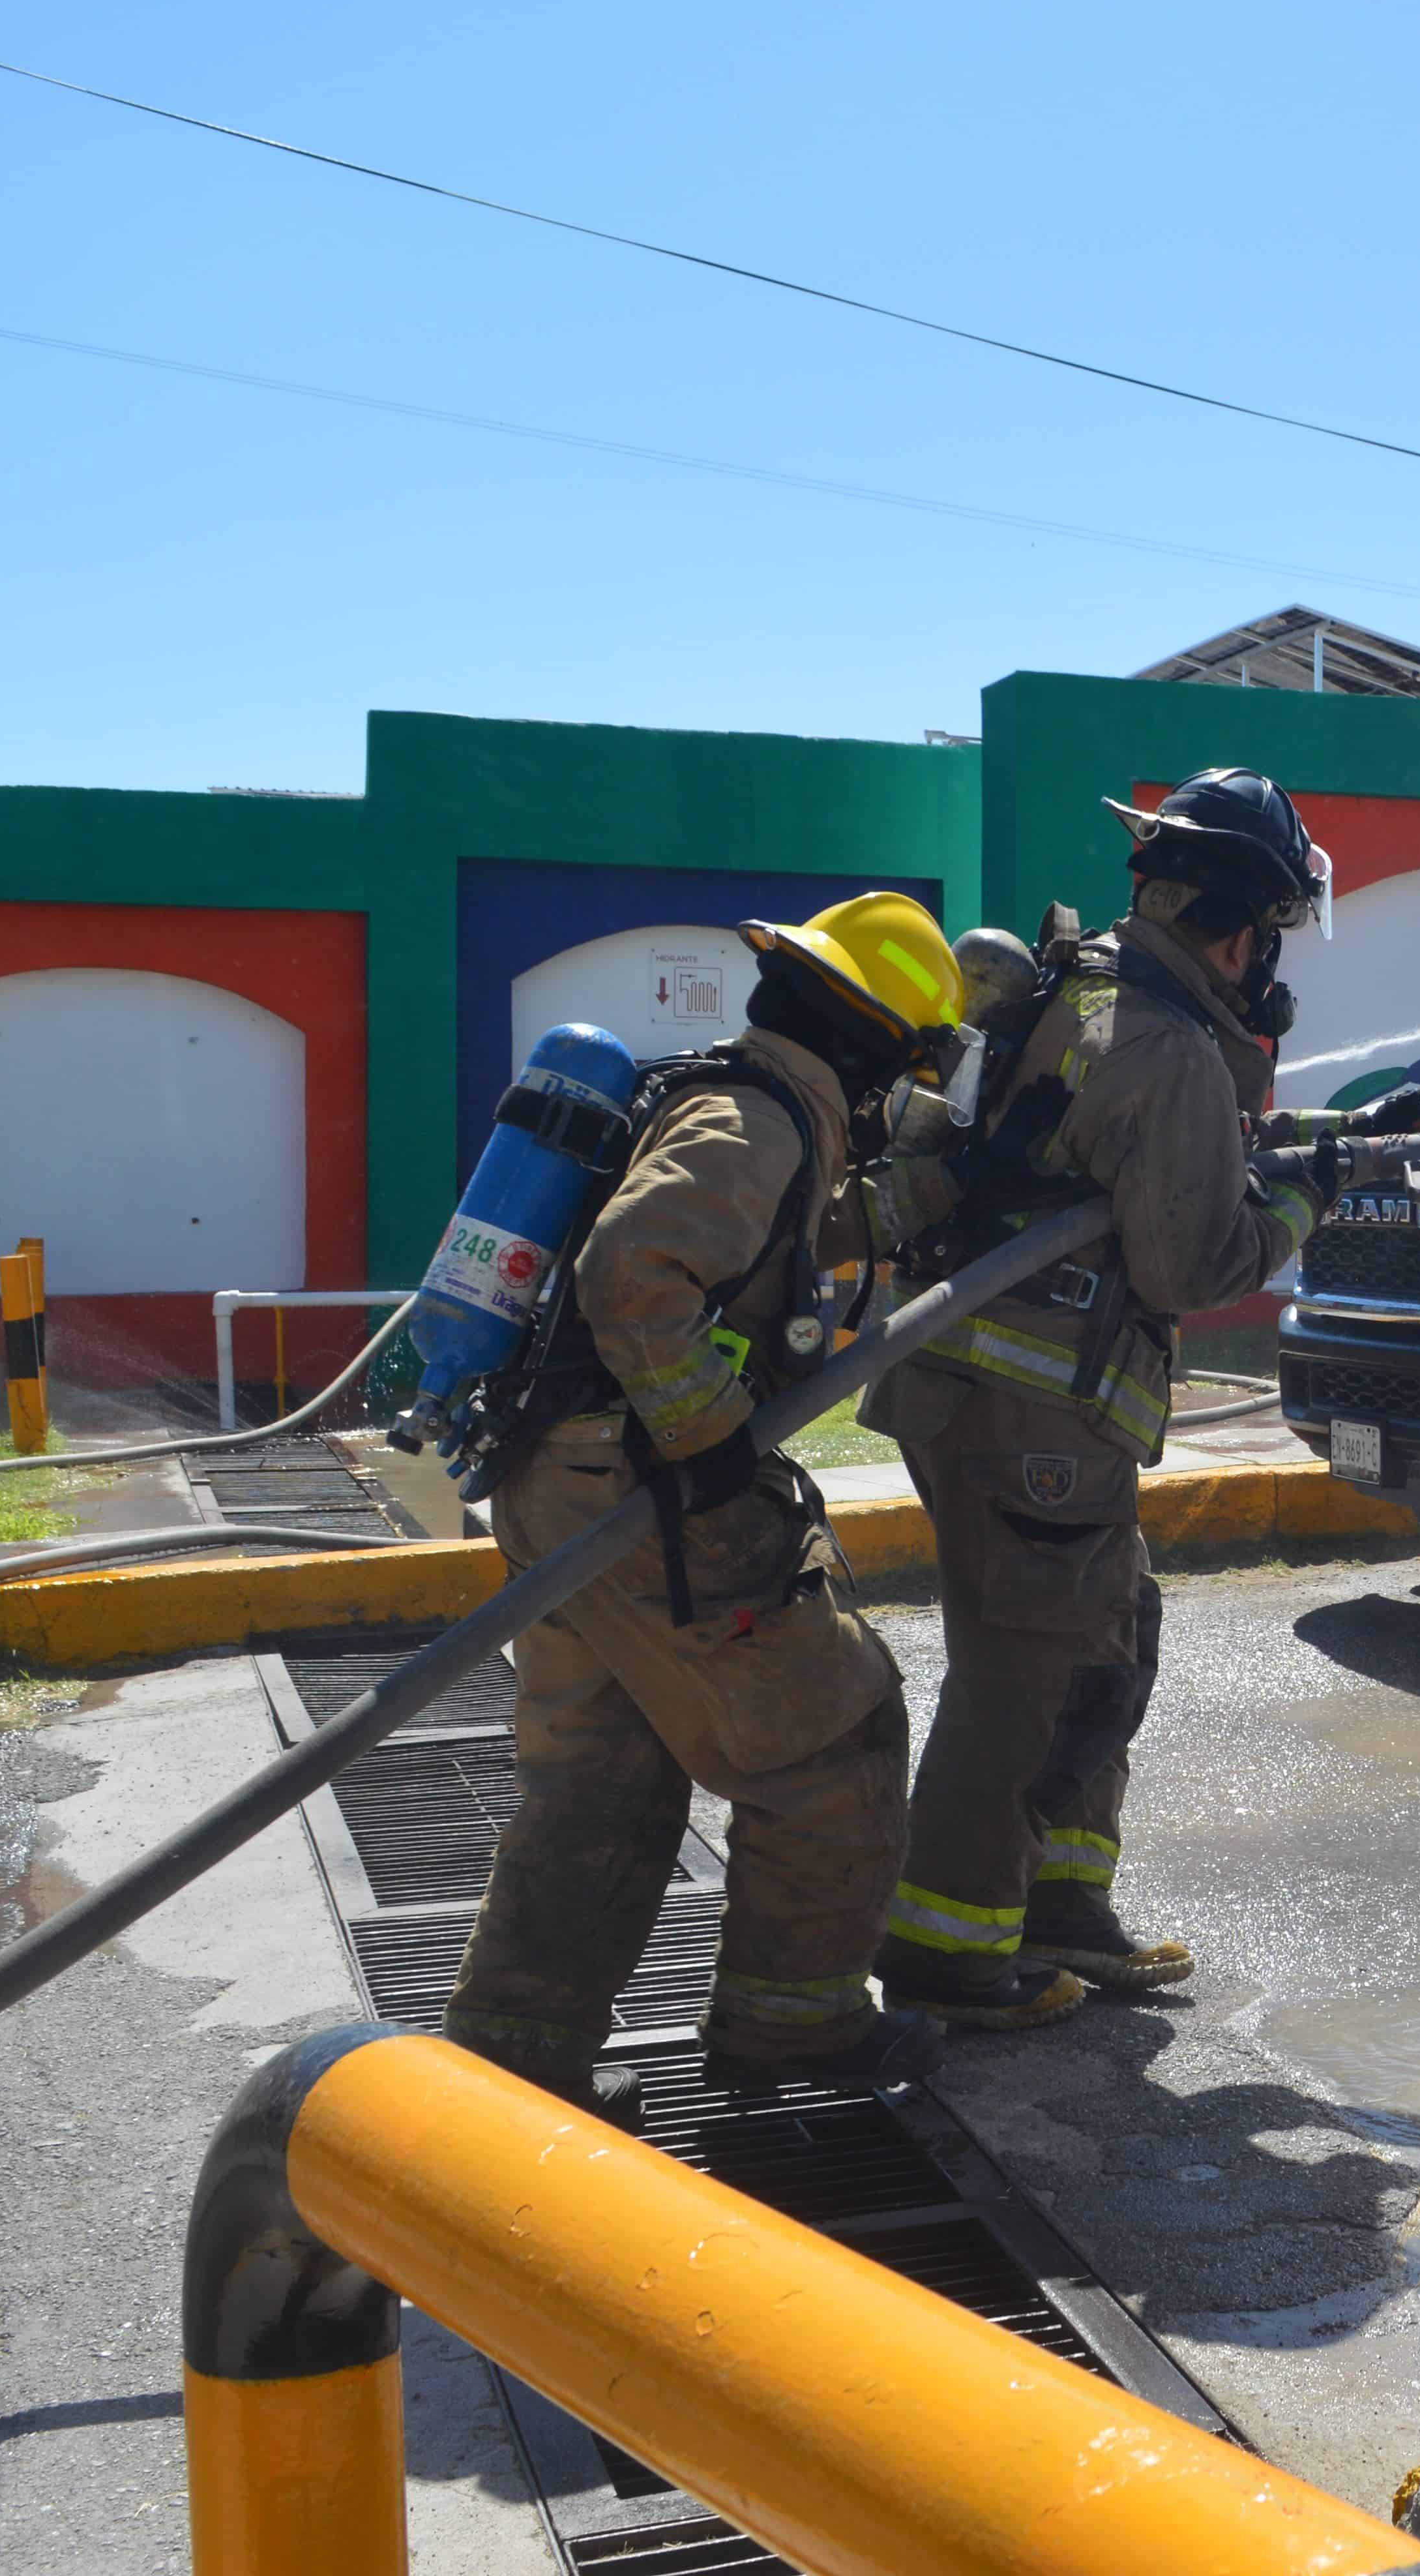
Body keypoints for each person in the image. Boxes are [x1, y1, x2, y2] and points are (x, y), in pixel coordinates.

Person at [443, 892, 968, 2114]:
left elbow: (796, 1232)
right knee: (835, 1739)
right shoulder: (754, 1119)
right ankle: (794, 2028)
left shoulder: (741, 1101)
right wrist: (708, 1437)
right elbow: (637, 1268)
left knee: (602, 1773)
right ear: (881, 1046)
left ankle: (517, 2054)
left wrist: (942, 1189)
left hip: (562, 1480)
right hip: (641, 1496)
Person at [867, 768, 1350, 2028]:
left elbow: (1121, 1168)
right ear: (1238, 928)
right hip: (1034, 1418)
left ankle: (1061, 1910)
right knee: (1026, 1671)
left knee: (1107, 1635)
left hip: (984, 1394)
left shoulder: (1082, 992)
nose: (1270, 968)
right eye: (1272, 938)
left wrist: (1286, 1152)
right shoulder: (1174, 1048)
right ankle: (951, 1952)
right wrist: (1314, 1196)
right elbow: (1193, 1260)